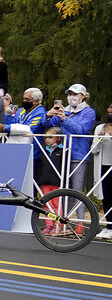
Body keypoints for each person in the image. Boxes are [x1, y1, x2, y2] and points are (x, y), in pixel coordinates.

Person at [42, 83, 96, 228]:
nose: (71, 97)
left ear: (83, 96)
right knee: (61, 189)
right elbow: (47, 125)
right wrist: (49, 114)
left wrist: (65, 119)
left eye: (75, 94)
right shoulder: (63, 110)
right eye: (69, 94)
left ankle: (80, 224)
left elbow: (81, 130)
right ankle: (60, 222)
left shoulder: (89, 112)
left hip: (78, 155)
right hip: (61, 155)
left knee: (77, 190)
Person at [0, 88, 46, 158]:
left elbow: (28, 129)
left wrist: (5, 128)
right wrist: (7, 115)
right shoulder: (21, 110)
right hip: (17, 147)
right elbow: (12, 124)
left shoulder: (40, 113)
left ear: (36, 101)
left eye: (27, 99)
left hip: (32, 149)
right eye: (24, 99)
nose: (24, 101)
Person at [36, 130, 66, 235]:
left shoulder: (62, 151)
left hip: (57, 182)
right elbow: (40, 167)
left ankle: (58, 225)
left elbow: (65, 167)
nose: (47, 140)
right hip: (45, 182)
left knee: (57, 204)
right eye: (46, 138)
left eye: (50, 137)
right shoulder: (43, 151)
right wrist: (40, 180)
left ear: (57, 138)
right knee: (47, 204)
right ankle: (49, 225)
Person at [93, 103, 112, 240]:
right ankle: (109, 226)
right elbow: (94, 150)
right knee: (107, 197)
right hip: (104, 166)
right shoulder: (100, 127)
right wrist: (99, 140)